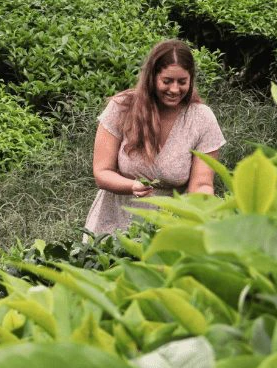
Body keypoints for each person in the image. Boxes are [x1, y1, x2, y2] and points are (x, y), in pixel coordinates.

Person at [84, 39, 225, 235]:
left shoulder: (202, 119)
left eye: (182, 82)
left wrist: (205, 213)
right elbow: (102, 172)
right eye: (167, 81)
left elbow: (201, 184)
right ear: (152, 77)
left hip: (166, 228)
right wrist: (131, 186)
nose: (175, 89)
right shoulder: (122, 107)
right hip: (113, 223)